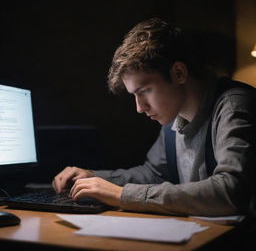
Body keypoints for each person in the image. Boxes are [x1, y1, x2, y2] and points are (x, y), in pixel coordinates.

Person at [52, 18, 255, 216]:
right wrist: (94, 177)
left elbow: (232, 190)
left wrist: (123, 195)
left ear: (178, 73)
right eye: (134, 95)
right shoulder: (173, 118)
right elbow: (154, 174)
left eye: (145, 90)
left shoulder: (233, 106)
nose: (139, 108)